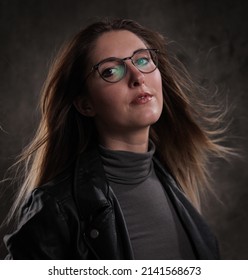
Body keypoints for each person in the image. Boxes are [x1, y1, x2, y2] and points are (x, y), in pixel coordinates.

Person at [3, 18, 228, 260]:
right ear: (85, 104)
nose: (137, 76)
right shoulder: (55, 208)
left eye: (142, 59)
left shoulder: (173, 178)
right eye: (111, 70)